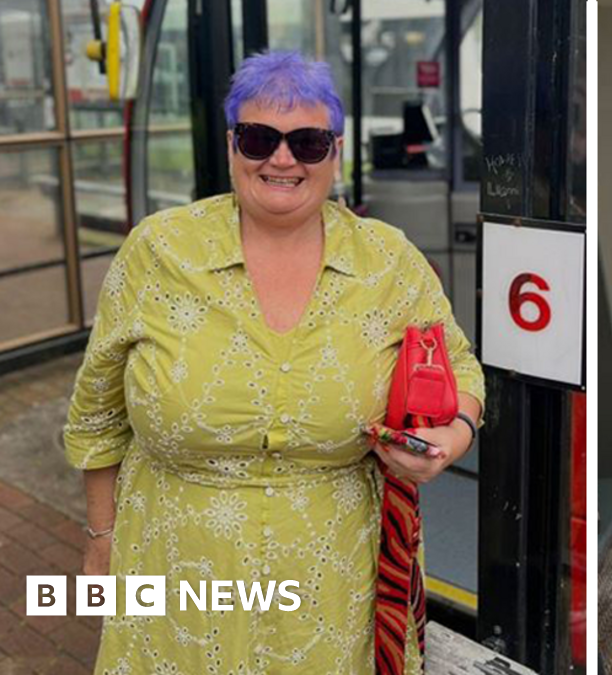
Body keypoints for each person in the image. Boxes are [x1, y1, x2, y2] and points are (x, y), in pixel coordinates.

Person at [63, 51, 484, 674]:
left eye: (307, 142)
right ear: (232, 142)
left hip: (332, 586)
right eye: (259, 138)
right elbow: (98, 416)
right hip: (175, 570)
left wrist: (453, 435)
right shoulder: (159, 251)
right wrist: (101, 544)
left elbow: (460, 365)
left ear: (335, 151)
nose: (282, 159)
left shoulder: (386, 260)